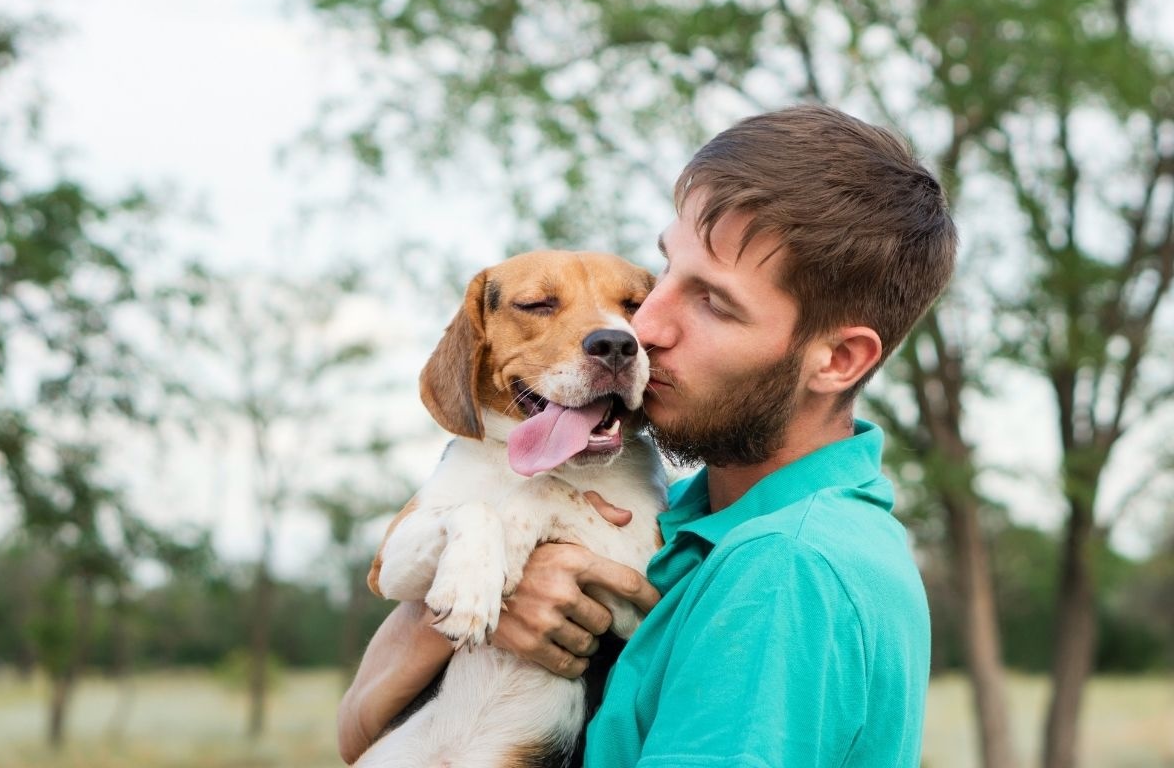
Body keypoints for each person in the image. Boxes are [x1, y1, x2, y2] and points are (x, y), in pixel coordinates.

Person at [338, 104, 957, 767]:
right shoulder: (698, 517)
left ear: (837, 361)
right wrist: (500, 592)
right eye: (663, 274)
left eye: (713, 302)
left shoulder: (784, 569)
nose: (645, 327)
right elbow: (356, 732)